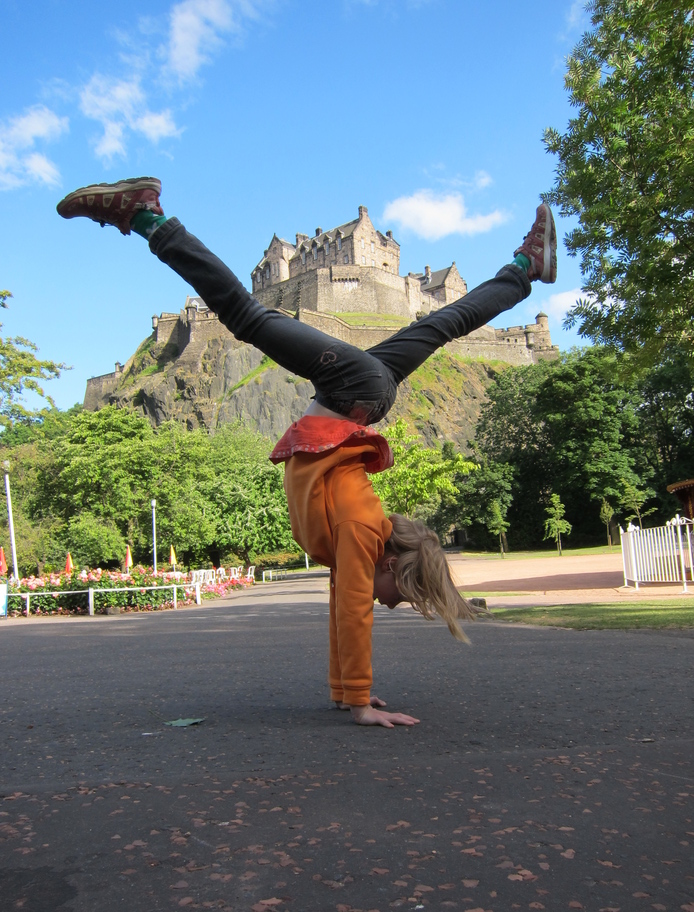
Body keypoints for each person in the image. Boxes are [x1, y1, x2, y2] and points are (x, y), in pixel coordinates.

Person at [57, 177, 557, 728]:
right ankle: (148, 216)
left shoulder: (361, 539)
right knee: (244, 316)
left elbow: (344, 610)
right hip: (353, 394)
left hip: (362, 394)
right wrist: (363, 703)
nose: (390, 603)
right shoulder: (363, 532)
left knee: (441, 324)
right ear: (392, 562)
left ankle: (525, 267)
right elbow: (354, 613)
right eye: (403, 593)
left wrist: (350, 694)